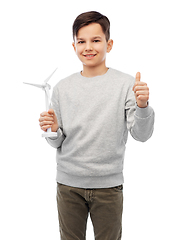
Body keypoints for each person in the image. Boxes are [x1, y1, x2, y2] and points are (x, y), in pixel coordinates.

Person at [39, 11, 155, 240]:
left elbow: (142, 135)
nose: (88, 47)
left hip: (109, 187)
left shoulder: (126, 84)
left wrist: (143, 106)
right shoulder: (62, 88)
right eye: (81, 41)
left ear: (108, 44)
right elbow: (58, 141)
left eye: (95, 40)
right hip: (68, 185)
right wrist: (52, 129)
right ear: (74, 46)